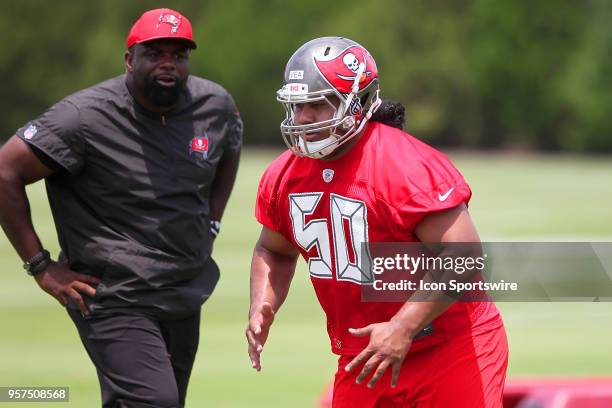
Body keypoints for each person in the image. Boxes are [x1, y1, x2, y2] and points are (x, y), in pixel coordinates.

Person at [246, 37, 507, 407]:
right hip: (365, 355)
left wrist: (402, 327)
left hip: (449, 347)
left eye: (318, 104)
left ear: (358, 102)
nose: (304, 118)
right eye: (298, 105)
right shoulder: (283, 176)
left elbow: (462, 256)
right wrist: (262, 302)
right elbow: (274, 249)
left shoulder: (403, 165)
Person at [0, 8, 242, 408]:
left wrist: (212, 221)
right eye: (155, 53)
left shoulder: (214, 104)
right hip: (112, 293)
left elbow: (231, 143)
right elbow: (6, 170)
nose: (168, 63)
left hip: (182, 289)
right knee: (156, 402)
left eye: (178, 55)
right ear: (130, 59)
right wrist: (42, 267)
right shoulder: (81, 118)